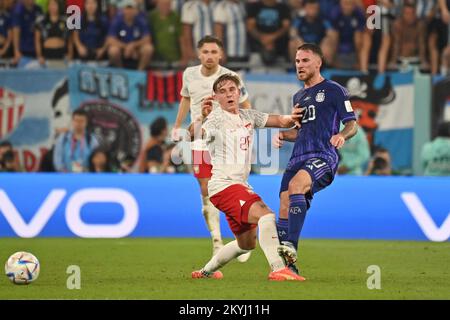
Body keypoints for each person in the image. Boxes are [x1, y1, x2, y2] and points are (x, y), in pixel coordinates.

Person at [190, 73, 304, 281]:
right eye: (222, 92)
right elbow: (193, 134)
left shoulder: (247, 116)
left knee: (246, 244)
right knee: (266, 215)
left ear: (239, 92)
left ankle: (205, 272)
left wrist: (294, 117)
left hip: (238, 185)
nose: (228, 95)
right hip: (224, 186)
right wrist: (201, 117)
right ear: (216, 97)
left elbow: (278, 120)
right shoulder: (215, 119)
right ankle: (278, 269)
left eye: (232, 90)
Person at [273, 43, 358, 275]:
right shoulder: (298, 96)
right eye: (297, 61)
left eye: (305, 61)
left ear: (318, 63)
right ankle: (289, 268)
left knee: (295, 186)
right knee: (283, 202)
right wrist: (284, 135)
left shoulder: (335, 90)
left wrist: (341, 135)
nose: (299, 65)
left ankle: (291, 245)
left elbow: (352, 123)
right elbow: (302, 131)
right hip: (297, 157)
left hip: (323, 155)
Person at [172, 35, 252, 260]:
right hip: (200, 139)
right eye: (205, 52)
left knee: (234, 186)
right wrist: (178, 126)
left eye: (214, 52)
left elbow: (245, 105)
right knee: (207, 188)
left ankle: (241, 238)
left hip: (226, 140)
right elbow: (186, 100)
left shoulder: (231, 77)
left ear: (221, 54)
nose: (209, 56)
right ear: (199, 54)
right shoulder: (189, 74)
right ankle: (217, 240)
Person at [107, 0, 153, 70]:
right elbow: (110, 39)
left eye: (131, 8)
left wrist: (133, 46)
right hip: (122, 49)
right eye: (127, 8)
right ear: (123, 10)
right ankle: (121, 72)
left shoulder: (141, 20)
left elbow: (147, 38)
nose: (129, 11)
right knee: (113, 50)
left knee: (148, 49)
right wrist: (126, 47)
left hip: (137, 49)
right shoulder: (117, 20)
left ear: (135, 10)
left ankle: (139, 73)